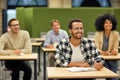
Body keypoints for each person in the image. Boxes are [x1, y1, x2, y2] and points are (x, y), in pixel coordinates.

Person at [94, 13, 119, 80]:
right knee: (109, 74)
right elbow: (96, 48)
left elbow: (116, 48)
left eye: (110, 23)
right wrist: (102, 52)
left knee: (113, 75)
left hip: (112, 59)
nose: (108, 24)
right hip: (102, 58)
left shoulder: (116, 34)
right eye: (106, 23)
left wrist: (115, 51)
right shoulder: (98, 34)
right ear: (102, 24)